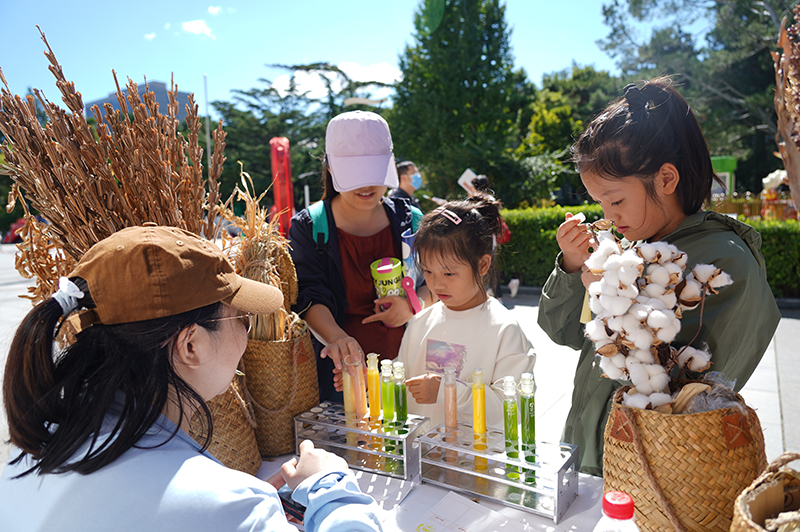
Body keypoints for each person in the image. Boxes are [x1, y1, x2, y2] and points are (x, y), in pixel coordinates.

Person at [0, 225, 383, 532]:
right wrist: (329, 486)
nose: (248, 336)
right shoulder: (224, 505)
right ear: (191, 346)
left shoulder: (33, 451)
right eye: (241, 319)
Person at [537, 77, 782, 477]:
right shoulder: (631, 247)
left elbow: (692, 395)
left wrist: (616, 303)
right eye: (599, 202)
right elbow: (564, 331)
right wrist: (569, 268)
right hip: (590, 449)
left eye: (615, 200)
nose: (609, 216)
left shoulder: (725, 264)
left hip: (655, 472)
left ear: (667, 179)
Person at [289, 111, 433, 400]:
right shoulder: (310, 226)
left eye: (374, 172)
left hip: (413, 374)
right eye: (355, 175)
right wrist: (338, 338)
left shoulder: (412, 220)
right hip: (342, 377)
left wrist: (414, 304)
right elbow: (307, 293)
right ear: (330, 168)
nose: (367, 186)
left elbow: (439, 280)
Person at [396, 194, 536, 429]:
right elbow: (401, 383)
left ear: (482, 265)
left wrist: (448, 389)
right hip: (421, 457)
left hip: (478, 463)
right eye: (428, 272)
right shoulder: (420, 322)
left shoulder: (504, 330)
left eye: (448, 273)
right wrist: (366, 379)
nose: (436, 284)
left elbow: (511, 410)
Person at [471, 174, 520, 299]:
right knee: (490, 267)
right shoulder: (490, 199)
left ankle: (499, 294)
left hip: (483, 239)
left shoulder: (479, 200)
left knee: (489, 268)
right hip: (491, 239)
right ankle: (497, 291)